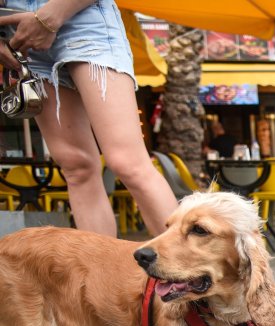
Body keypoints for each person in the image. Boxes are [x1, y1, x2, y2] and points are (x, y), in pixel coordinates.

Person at [0, 0, 177, 237]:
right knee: (76, 168)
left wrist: (50, 17)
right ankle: (100, 272)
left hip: (79, 14)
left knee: (128, 163)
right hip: (17, 27)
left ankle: (184, 271)